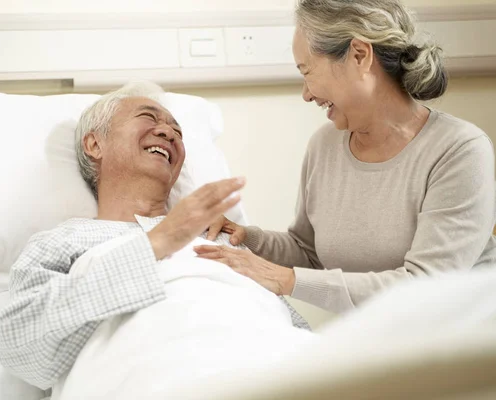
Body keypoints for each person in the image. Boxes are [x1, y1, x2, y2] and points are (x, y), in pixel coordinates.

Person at [0, 82, 310, 391]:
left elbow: (292, 327)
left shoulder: (220, 238)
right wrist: (156, 244)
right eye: (148, 118)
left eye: (178, 131)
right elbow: (20, 348)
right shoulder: (63, 241)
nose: (168, 132)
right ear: (94, 144)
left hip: (282, 370)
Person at [199, 0, 496, 314]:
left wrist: (287, 280)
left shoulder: (459, 150)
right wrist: (248, 239)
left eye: (307, 72)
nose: (306, 93)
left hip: (463, 347)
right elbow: (309, 252)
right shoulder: (324, 146)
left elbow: (425, 286)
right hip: (374, 343)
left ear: (359, 55)